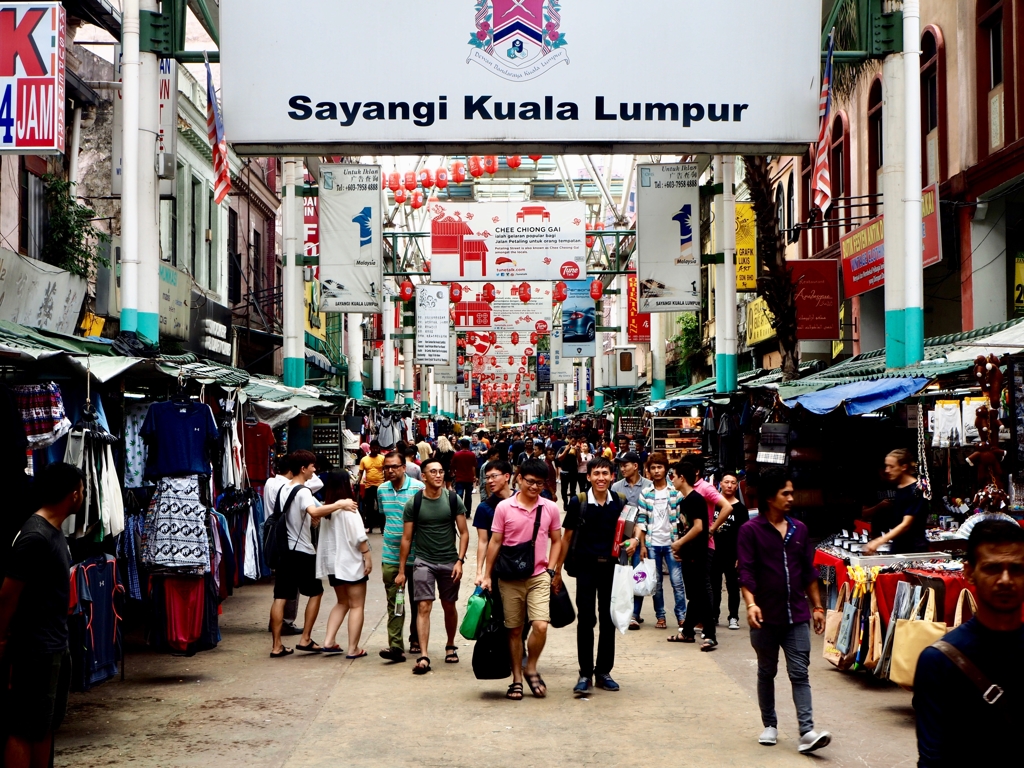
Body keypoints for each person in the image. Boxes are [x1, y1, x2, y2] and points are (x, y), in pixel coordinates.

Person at [914, 519, 1024, 766]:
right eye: (992, 568)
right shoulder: (939, 662)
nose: (1005, 579)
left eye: (1016, 569)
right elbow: (933, 759)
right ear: (969, 573)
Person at [738, 469, 831, 754]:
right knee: (767, 671)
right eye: (785, 493)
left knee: (799, 672)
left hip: (796, 615)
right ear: (770, 498)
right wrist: (751, 604)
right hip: (764, 617)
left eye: (792, 493)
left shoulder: (799, 529)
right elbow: (747, 573)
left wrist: (817, 606)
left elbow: (808, 573)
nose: (791, 498)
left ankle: (806, 731)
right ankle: (770, 724)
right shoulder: (750, 531)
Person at [0, 463, 82, 768]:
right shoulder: (35, 536)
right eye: (83, 490)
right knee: (24, 727)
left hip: (54, 645)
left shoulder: (52, 532)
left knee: (44, 725)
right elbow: (8, 595)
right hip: (34, 649)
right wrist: (2, 642)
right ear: (74, 494)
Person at [481, 458, 562, 700]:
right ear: (518, 478)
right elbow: (495, 542)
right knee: (514, 630)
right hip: (508, 578)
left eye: (540, 483)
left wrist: (552, 569)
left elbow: (557, 540)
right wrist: (486, 575)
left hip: (538, 576)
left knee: (540, 625)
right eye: (530, 482)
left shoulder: (550, 508)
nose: (535, 487)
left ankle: (531, 667)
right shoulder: (504, 508)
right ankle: (516, 679)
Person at [556, 457, 637, 696]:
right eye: (596, 474)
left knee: (608, 619)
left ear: (613, 477)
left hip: (612, 569)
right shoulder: (578, 502)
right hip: (586, 568)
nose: (601, 478)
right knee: (586, 620)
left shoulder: (620, 502)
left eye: (605, 473)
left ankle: (603, 672)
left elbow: (631, 532)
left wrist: (634, 541)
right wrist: (557, 570)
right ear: (588, 476)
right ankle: (584, 673)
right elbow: (566, 538)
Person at [270, 450, 353, 658]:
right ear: (303, 468)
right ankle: (306, 638)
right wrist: (340, 504)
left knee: (280, 597)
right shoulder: (303, 491)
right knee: (316, 592)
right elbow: (314, 511)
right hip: (302, 551)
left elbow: (294, 515)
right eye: (312, 466)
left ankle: (277, 645)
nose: (314, 470)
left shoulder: (283, 489)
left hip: (284, 550)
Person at [396, 457, 470, 674]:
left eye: (441, 472)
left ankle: (450, 645)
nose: (438, 475)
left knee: (449, 605)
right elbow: (407, 539)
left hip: (449, 561)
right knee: (424, 606)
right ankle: (424, 655)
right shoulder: (414, 503)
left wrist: (460, 560)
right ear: (424, 476)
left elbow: (464, 533)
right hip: (423, 561)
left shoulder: (453, 499)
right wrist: (402, 570)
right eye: (433, 472)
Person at [313, 471, 370, 658]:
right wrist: (367, 555)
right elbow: (359, 537)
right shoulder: (349, 509)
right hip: (351, 565)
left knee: (342, 602)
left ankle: (329, 641)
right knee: (357, 605)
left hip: (333, 567)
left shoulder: (328, 510)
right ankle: (353, 648)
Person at [377, 450, 425, 662]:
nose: (390, 470)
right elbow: (384, 517)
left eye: (394, 466)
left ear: (404, 468)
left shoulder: (418, 488)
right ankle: (396, 646)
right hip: (390, 555)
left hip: (417, 555)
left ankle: (416, 637)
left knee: (418, 600)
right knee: (395, 601)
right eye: (386, 467)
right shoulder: (381, 490)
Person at [668, 462, 718, 650]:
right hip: (689, 553)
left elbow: (698, 527)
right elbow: (685, 528)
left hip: (699, 553)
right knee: (695, 596)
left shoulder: (695, 499)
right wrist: (681, 548)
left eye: (673, 475)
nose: (671, 479)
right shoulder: (685, 501)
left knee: (702, 595)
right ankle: (687, 632)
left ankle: (710, 635)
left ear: (682, 478)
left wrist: (679, 543)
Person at [635, 453, 687, 631]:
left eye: (660, 467)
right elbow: (641, 520)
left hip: (672, 543)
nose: (657, 471)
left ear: (666, 469)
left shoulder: (675, 492)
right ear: (648, 471)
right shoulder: (645, 494)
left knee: (677, 581)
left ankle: (682, 617)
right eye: (653, 468)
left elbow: (683, 517)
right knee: (656, 583)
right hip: (652, 544)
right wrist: (642, 545)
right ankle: (661, 616)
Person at [611, 452, 654, 630]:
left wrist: (640, 540)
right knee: (621, 574)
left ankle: (635, 614)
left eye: (625, 465)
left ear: (635, 466)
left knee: (637, 574)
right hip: (621, 537)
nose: (622, 468)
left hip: (642, 536)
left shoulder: (648, 486)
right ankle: (621, 610)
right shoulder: (616, 487)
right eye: (621, 465)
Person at [264, 456, 303, 636]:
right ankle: (285, 622)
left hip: (273, 537)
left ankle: (276, 622)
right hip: (287, 540)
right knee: (289, 588)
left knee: (280, 588)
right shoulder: (288, 487)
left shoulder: (269, 483)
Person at [863, 449, 928, 555]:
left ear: (904, 467)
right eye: (886, 466)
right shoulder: (899, 487)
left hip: (914, 549)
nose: (887, 470)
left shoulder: (916, 489)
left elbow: (906, 524)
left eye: (891, 466)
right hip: (898, 545)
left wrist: (879, 541)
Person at [712, 473, 750, 630]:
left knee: (733, 586)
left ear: (736, 486)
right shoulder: (713, 504)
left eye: (733, 483)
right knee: (714, 585)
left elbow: (744, 535)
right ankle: (714, 615)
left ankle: (733, 616)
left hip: (732, 554)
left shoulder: (740, 509)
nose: (729, 485)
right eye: (726, 482)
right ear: (720, 484)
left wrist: (741, 555)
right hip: (713, 552)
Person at [473, 461, 514, 584]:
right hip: (498, 564)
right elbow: (483, 541)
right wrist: (480, 572)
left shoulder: (521, 501)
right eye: (487, 477)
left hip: (522, 561)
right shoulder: (484, 508)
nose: (489, 481)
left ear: (507, 476)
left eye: (494, 476)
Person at [356, 441, 386, 534]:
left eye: (377, 448)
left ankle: (383, 528)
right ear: (370, 448)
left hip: (380, 485)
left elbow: (386, 470)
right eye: (373, 448)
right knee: (369, 508)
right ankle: (369, 527)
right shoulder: (364, 459)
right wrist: (357, 481)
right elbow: (360, 472)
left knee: (381, 507)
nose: (375, 449)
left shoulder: (383, 458)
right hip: (368, 486)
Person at [451, 439, 478, 512]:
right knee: (468, 496)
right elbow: (473, 467)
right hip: (469, 478)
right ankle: (468, 512)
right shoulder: (472, 454)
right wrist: (474, 476)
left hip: (459, 478)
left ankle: (459, 511)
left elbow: (452, 466)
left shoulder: (456, 454)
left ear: (461, 445)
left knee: (459, 495)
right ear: (469, 445)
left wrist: (454, 472)